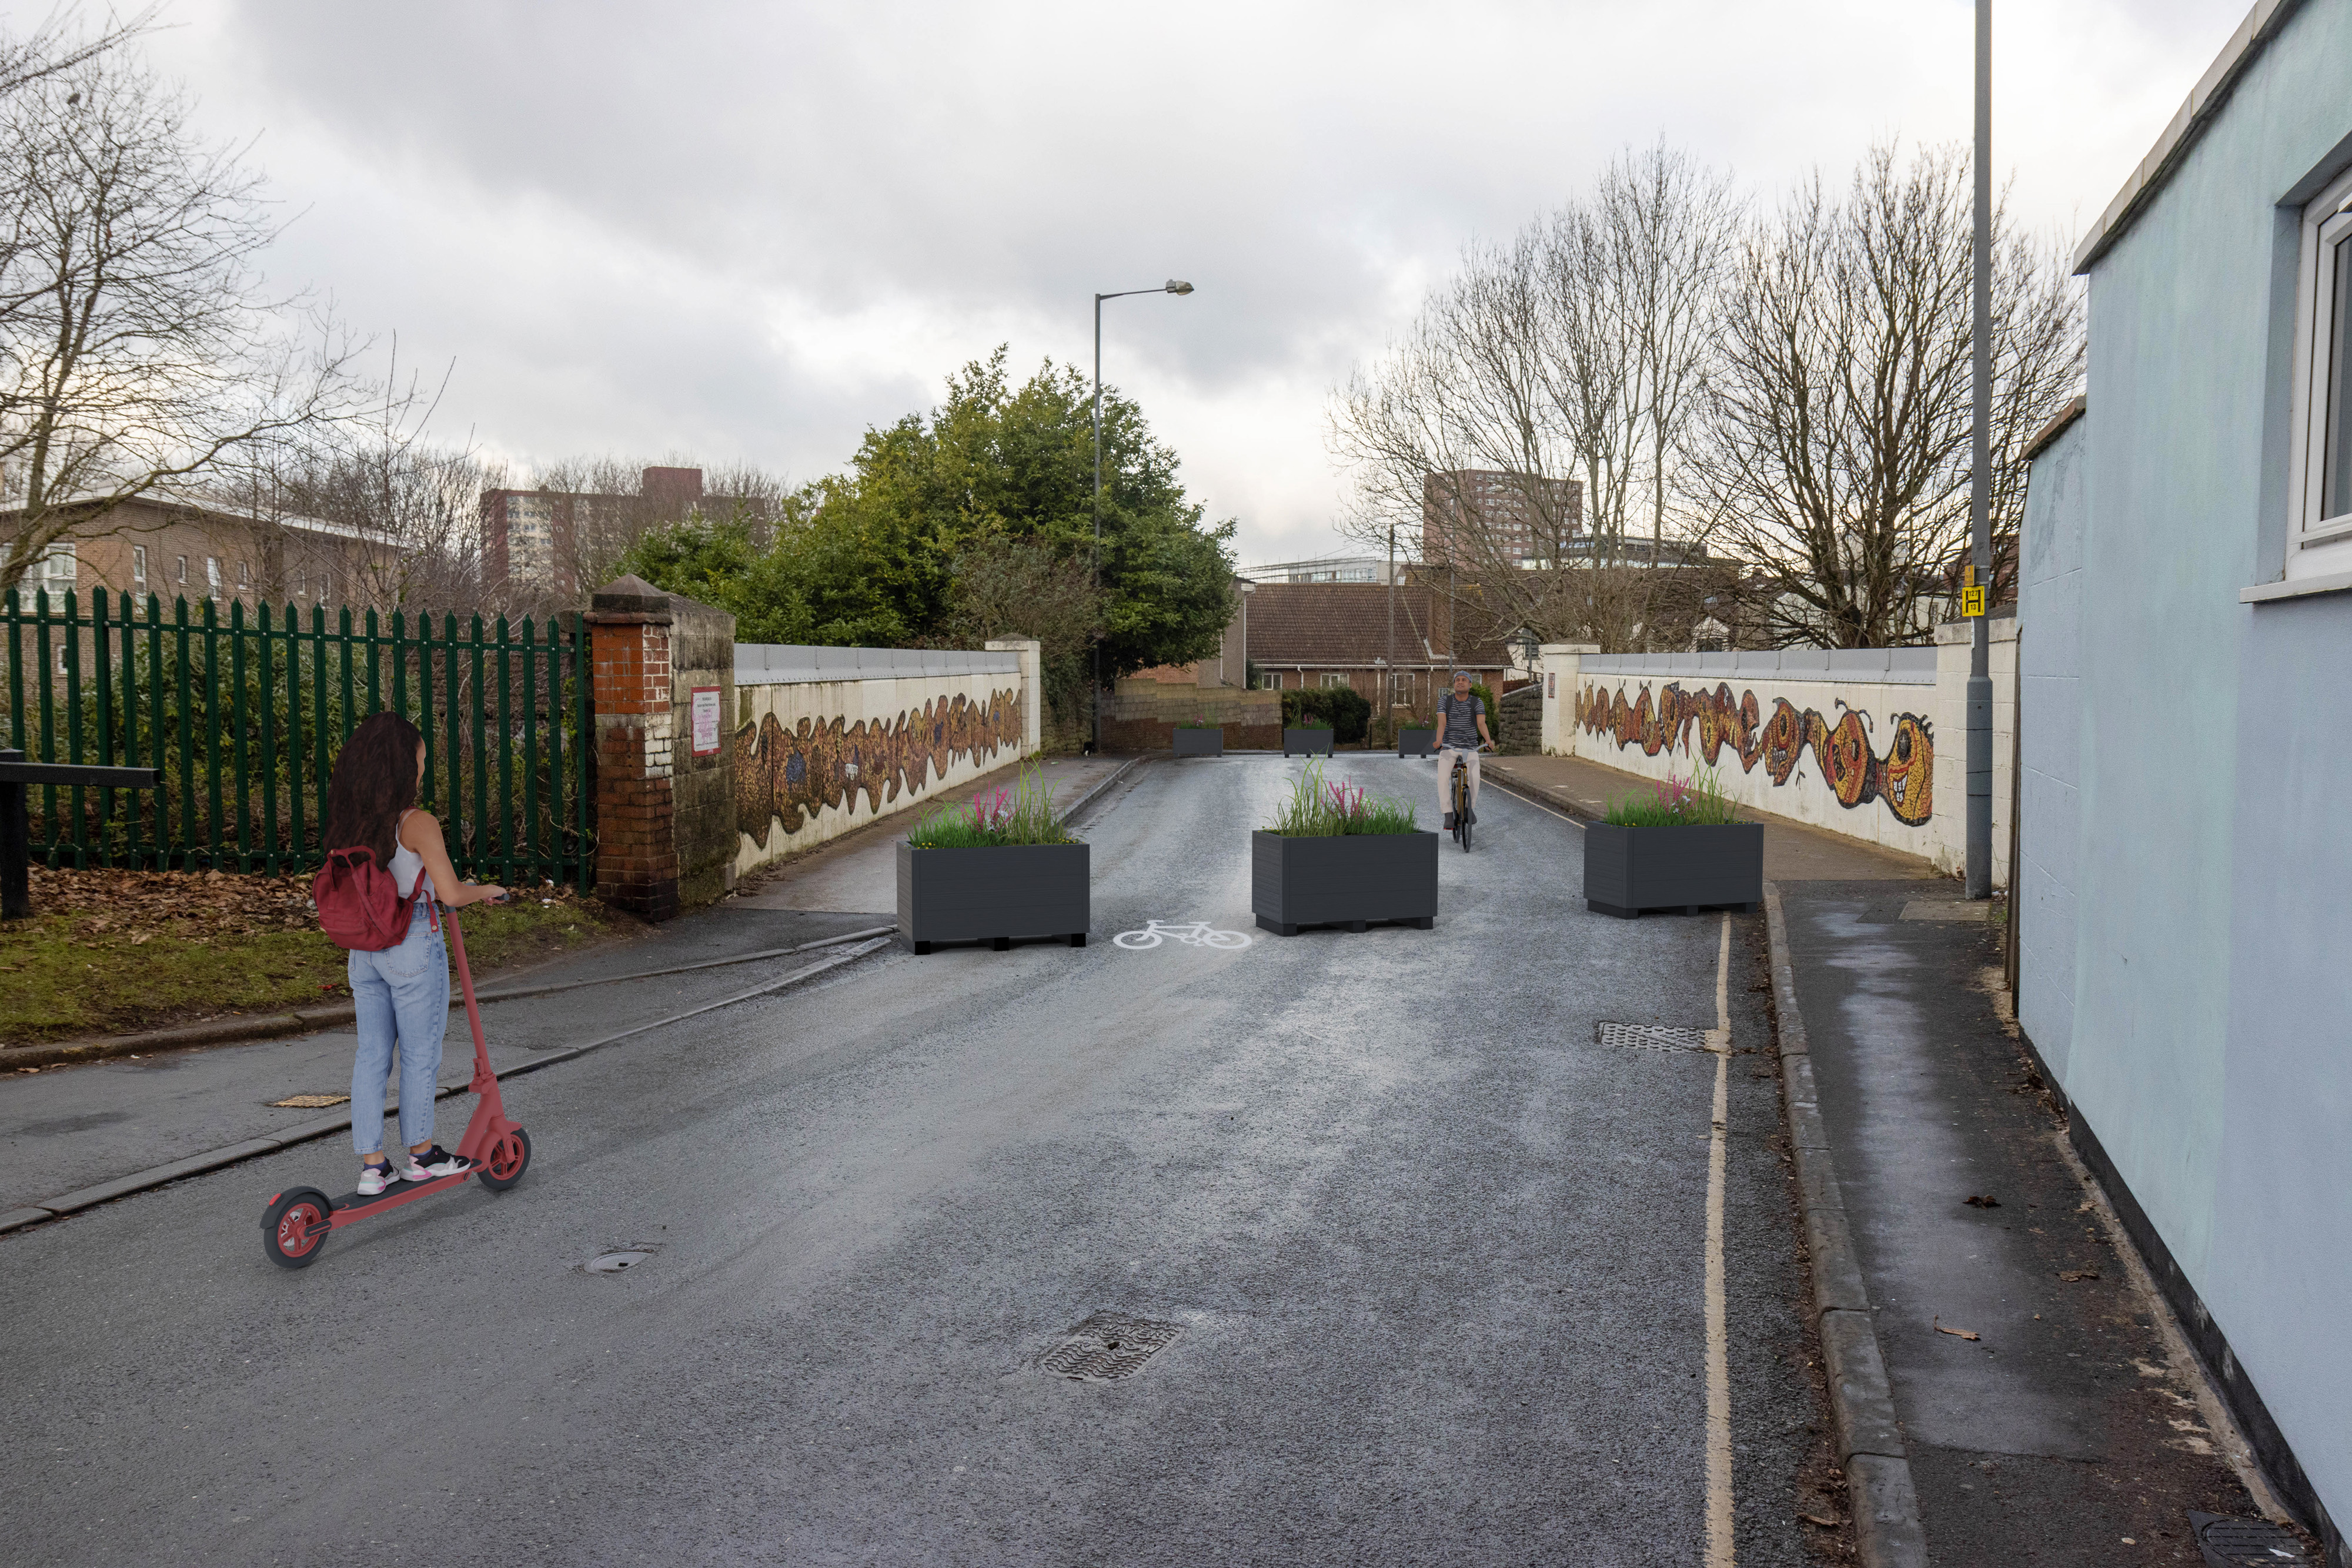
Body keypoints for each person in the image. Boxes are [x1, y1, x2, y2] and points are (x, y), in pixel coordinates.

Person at [322, 713, 507, 1196]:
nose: (424, 770)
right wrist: (486, 888)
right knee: (420, 1055)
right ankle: (422, 1154)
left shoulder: (351, 818)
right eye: (421, 761)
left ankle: (373, 1165)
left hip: (364, 950)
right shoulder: (417, 822)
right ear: (403, 766)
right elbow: (448, 892)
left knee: (371, 1055)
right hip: (410, 943)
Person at [1433, 670, 1494, 830]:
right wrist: (1439, 740)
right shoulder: (1445, 701)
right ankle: (1448, 814)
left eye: (1464, 680)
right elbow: (1442, 723)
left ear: (1470, 685)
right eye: (1457, 680)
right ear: (1454, 685)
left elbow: (1481, 723)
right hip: (1449, 747)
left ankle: (1469, 808)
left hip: (1471, 747)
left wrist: (1488, 741)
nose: (1460, 682)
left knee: (1474, 776)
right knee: (1442, 777)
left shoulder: (1476, 702)